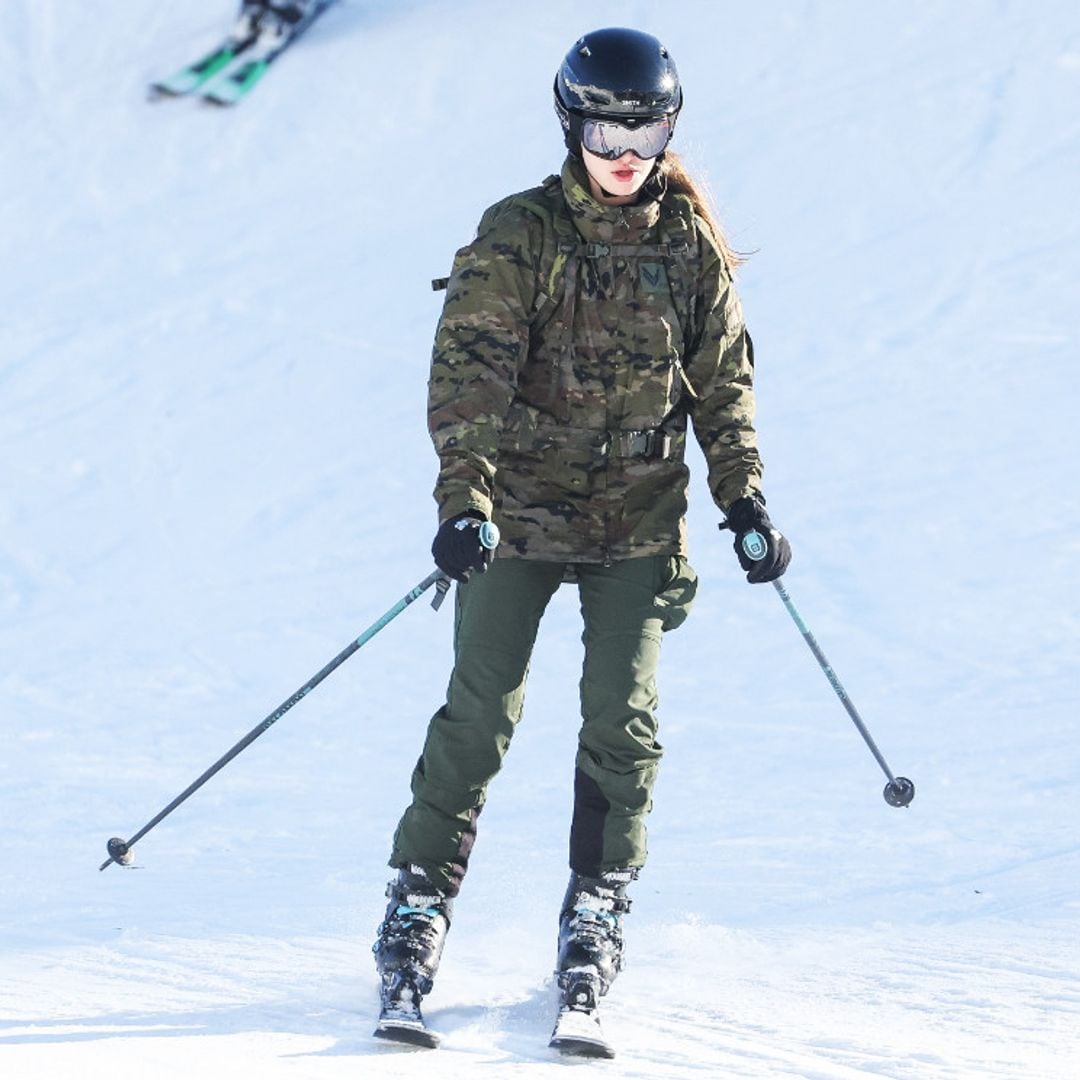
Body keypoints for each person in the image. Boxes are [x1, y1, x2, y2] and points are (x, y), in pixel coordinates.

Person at [372, 26, 791, 1037]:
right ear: (572, 121)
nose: (623, 150)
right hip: (517, 515)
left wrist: (743, 500)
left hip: (638, 519)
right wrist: (463, 504)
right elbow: (467, 378)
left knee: (622, 719)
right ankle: (417, 902)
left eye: (643, 127)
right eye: (605, 123)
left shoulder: (686, 246)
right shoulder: (518, 234)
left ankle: (597, 906)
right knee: (481, 713)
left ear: (666, 128)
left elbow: (723, 387)